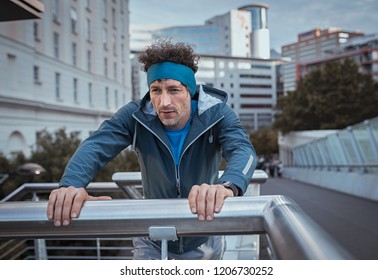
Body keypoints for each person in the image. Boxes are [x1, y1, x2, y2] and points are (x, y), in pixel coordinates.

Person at [46, 39, 257, 260]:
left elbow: (244, 151)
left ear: (190, 90)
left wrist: (228, 186)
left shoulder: (218, 114)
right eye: (156, 90)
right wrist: (70, 186)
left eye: (174, 90)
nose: (164, 102)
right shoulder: (135, 116)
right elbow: (95, 146)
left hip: (205, 234)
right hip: (151, 235)